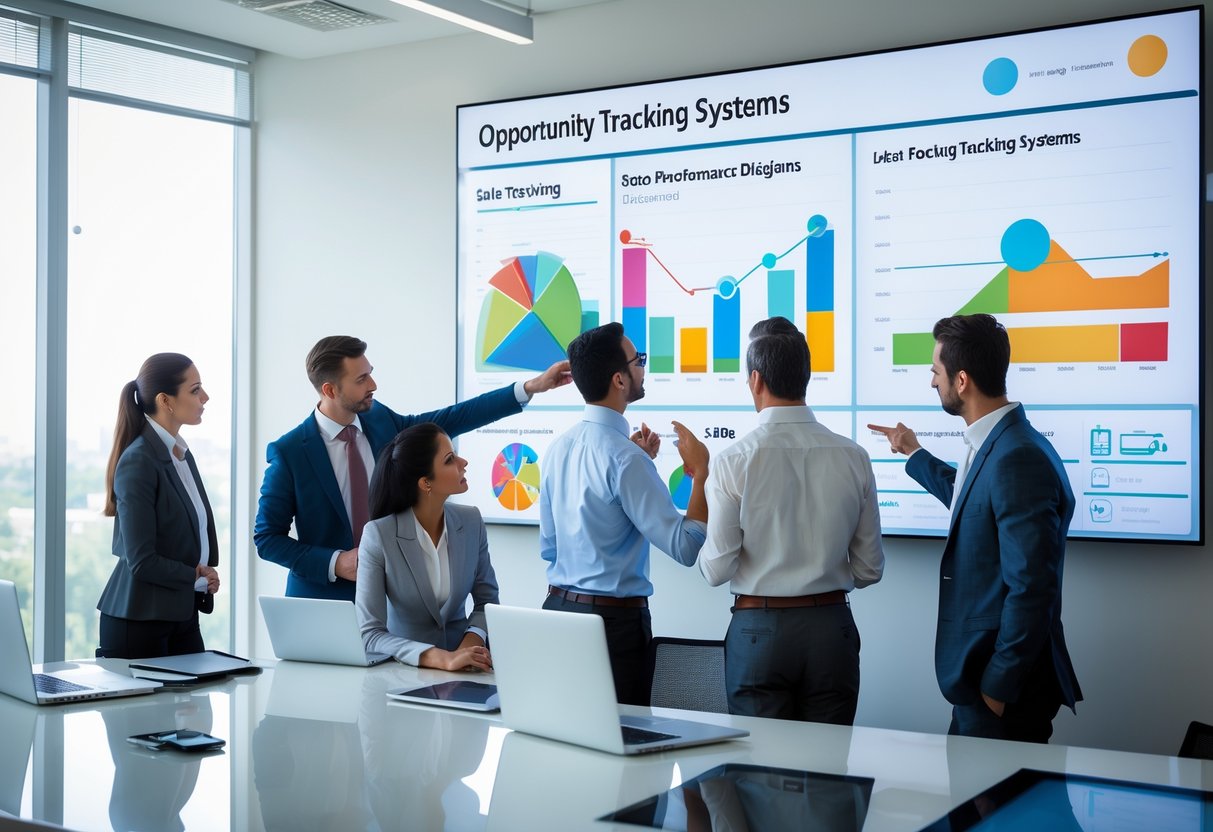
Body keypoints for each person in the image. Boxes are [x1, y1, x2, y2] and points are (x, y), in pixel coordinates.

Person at [868, 313, 1081, 743]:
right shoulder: (999, 442)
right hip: (984, 682)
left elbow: (1032, 588)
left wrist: (997, 688)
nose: (932, 382)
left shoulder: (1016, 456)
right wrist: (914, 452)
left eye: (935, 372)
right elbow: (973, 501)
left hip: (1002, 690)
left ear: (961, 380)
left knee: (994, 809)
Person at [255, 335, 569, 601]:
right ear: (330, 390)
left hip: (395, 599)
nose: (373, 384)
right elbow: (267, 539)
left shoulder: (380, 420)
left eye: (370, 373)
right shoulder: (290, 453)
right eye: (361, 379)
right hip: (322, 603)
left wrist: (529, 387)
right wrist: (336, 563)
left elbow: (451, 418)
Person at [699, 317, 885, 724]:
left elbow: (715, 571)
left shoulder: (733, 460)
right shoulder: (854, 456)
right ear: (807, 376)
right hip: (831, 631)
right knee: (829, 771)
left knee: (758, 774)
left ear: (755, 380)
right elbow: (870, 570)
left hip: (758, 631)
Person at [540, 322, 710, 705]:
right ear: (619, 379)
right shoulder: (626, 460)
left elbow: (550, 549)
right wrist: (701, 473)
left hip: (555, 614)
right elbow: (685, 547)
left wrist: (635, 467)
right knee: (621, 747)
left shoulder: (559, 448)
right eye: (639, 361)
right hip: (612, 629)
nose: (643, 367)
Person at [96, 354, 221, 659]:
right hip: (140, 619)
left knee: (201, 701)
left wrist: (203, 575)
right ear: (166, 400)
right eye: (195, 390)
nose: (205, 397)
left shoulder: (180, 453)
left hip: (182, 612)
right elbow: (141, 560)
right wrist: (195, 574)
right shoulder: (139, 459)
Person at [355, 423, 496, 671]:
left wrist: (467, 647)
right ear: (425, 483)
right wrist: (441, 658)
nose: (463, 462)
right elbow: (371, 633)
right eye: (450, 459)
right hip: (403, 673)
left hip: (466, 672)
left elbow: (487, 604)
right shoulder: (379, 535)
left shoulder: (471, 521)